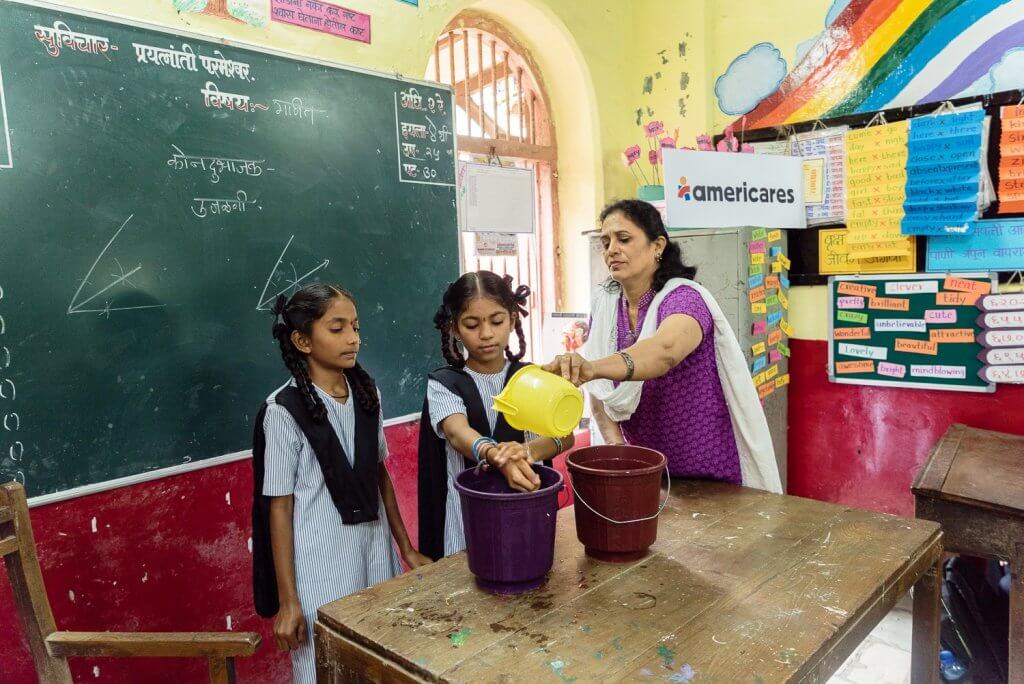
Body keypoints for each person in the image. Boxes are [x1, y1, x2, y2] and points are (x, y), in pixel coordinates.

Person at [251, 284, 431, 683]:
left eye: (355, 326)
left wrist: (406, 549)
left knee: (379, 660)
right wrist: (289, 600)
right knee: (325, 668)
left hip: (375, 552)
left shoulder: (367, 393)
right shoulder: (282, 411)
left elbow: (379, 473)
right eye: (337, 328)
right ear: (302, 340)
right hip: (319, 565)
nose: (353, 338)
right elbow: (278, 507)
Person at [544, 200, 780, 492]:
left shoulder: (685, 299)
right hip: (643, 475)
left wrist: (591, 368)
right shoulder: (606, 304)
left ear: (657, 245)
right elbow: (600, 395)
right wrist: (623, 460)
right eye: (605, 242)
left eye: (624, 239)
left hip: (705, 477)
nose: (611, 250)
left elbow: (664, 351)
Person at [418, 271, 575, 560]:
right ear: (454, 328)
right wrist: (494, 454)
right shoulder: (444, 384)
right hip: (466, 523)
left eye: (497, 321)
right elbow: (456, 431)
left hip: (529, 507)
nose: (487, 334)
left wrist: (527, 451)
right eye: (472, 324)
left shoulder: (532, 377)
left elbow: (563, 436)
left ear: (513, 318)